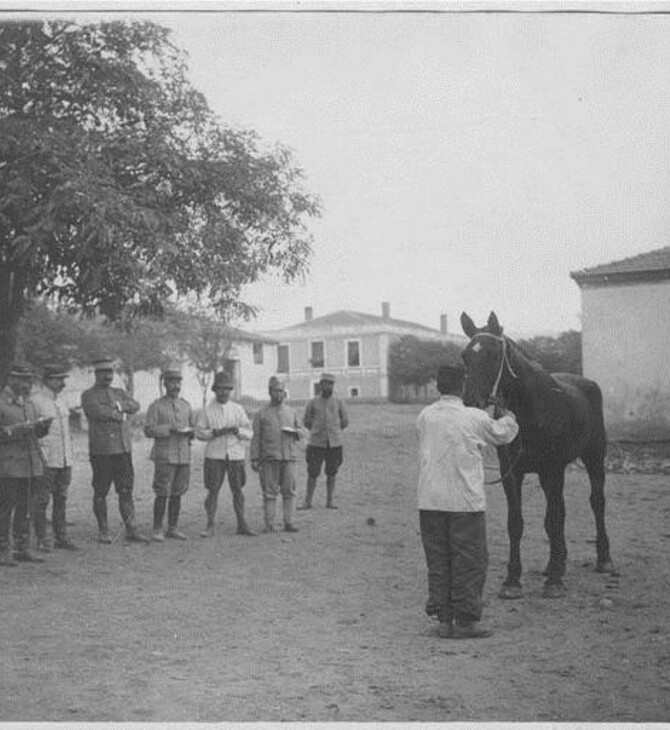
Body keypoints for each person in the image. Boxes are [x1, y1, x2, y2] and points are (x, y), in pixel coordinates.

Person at [416, 364, 519, 640]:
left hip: (429, 499)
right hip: (464, 502)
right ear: (462, 386)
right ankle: (465, 621)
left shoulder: (425, 416)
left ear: (438, 387)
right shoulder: (475, 417)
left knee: (439, 561)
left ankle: (444, 621)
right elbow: (502, 434)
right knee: (469, 561)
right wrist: (508, 416)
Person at [81, 357, 148, 544]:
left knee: (126, 490)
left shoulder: (119, 392)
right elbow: (97, 412)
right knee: (101, 492)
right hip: (102, 451)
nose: (107, 376)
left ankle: (131, 529)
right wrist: (119, 415)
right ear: (96, 374)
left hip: (123, 450)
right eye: (103, 373)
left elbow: (135, 405)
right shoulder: (88, 395)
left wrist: (118, 407)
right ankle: (103, 530)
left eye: (110, 373)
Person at [0, 364, 51, 565]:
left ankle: (21, 548)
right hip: (8, 466)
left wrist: (42, 428)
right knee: (5, 508)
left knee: (25, 507)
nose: (26, 383)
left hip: (29, 464)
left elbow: (34, 433)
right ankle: (3, 550)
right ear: (10, 379)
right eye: (21, 379)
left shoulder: (28, 404)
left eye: (28, 379)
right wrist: (13, 430)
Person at [195, 371, 255, 538]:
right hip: (215, 455)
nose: (223, 392)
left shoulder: (237, 409)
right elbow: (199, 433)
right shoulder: (207, 411)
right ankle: (210, 524)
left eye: (227, 389)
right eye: (220, 389)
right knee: (213, 490)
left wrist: (238, 431)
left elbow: (250, 433)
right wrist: (215, 433)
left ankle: (242, 523)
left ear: (231, 390)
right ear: (214, 390)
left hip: (235, 454)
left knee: (238, 490)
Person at [144, 365, 195, 542]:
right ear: (165, 384)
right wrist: (170, 429)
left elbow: (192, 429)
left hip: (183, 455)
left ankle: (172, 528)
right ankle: (157, 528)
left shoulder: (186, 406)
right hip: (165, 455)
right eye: (172, 382)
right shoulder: (156, 406)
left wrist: (190, 432)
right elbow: (149, 430)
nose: (176, 386)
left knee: (177, 492)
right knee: (162, 492)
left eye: (178, 382)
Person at [31, 364, 78, 551]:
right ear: (48, 380)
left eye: (63, 379)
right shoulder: (36, 401)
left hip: (65, 457)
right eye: (58, 379)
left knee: (61, 497)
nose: (62, 383)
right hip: (46, 458)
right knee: (41, 499)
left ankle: (61, 536)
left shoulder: (62, 400)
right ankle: (42, 538)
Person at [250, 376, 304, 533]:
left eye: (281, 391)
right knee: (269, 492)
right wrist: (254, 457)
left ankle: (289, 522)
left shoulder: (292, 412)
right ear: (269, 392)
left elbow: (302, 431)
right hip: (269, 458)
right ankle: (270, 524)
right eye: (275, 391)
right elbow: (256, 437)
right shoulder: (262, 414)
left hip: (289, 457)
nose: (279, 394)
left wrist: (296, 432)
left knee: (290, 491)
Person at [299, 372, 349, 510]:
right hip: (316, 443)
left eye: (331, 384)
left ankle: (330, 501)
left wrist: (335, 432)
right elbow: (307, 421)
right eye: (326, 383)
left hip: (334, 443)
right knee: (312, 472)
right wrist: (317, 430)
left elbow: (345, 421)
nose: (329, 386)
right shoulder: (313, 402)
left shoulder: (339, 402)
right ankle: (307, 501)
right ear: (321, 385)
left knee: (332, 472)